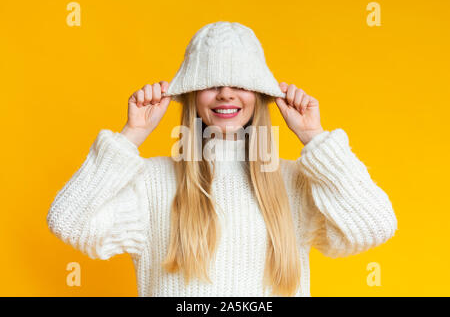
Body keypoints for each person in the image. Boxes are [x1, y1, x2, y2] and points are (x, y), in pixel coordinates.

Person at [46, 21, 398, 297]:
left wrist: (314, 138)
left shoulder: (295, 182)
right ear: (193, 96)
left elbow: (375, 225)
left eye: (239, 83)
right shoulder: (151, 182)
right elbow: (68, 221)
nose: (226, 92)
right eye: (212, 83)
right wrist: (131, 135)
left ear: (258, 95)